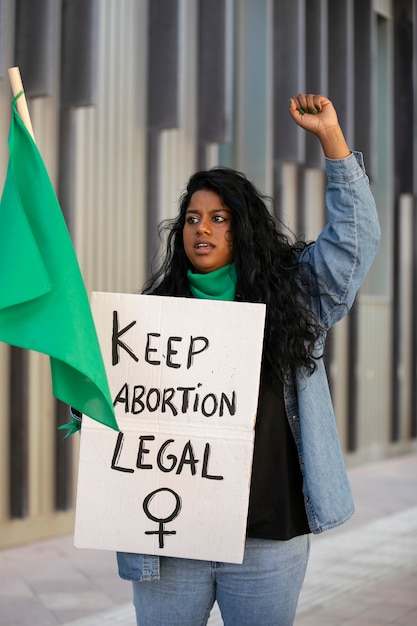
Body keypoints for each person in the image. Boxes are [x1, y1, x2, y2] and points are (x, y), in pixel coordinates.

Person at [82, 94, 380, 625]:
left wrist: (332, 140)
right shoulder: (147, 322)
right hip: (170, 538)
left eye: (219, 218)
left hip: (268, 538)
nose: (203, 228)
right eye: (194, 218)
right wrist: (93, 406)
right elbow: (125, 415)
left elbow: (352, 249)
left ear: (242, 229)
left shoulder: (295, 299)